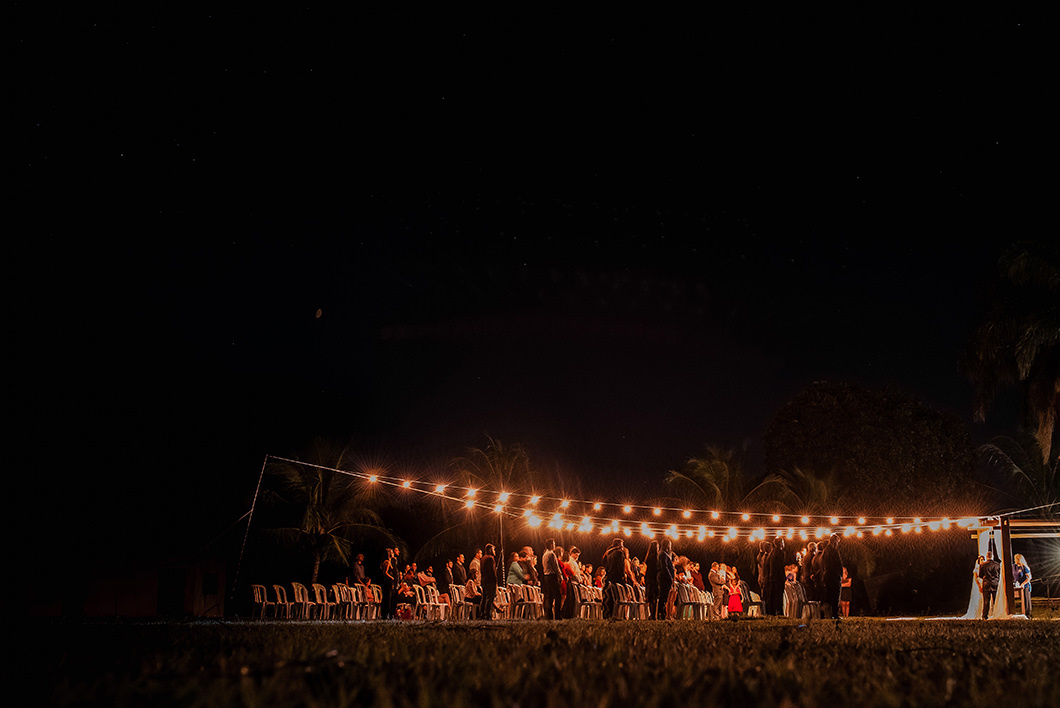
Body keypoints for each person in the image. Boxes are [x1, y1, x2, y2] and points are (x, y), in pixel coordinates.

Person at [602, 538, 627, 619]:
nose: (623, 547)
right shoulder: (619, 553)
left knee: (610, 598)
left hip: (610, 577)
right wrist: (623, 576)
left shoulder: (609, 554)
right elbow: (621, 566)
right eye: (622, 545)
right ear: (619, 545)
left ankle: (609, 614)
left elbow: (605, 565)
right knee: (620, 597)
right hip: (617, 577)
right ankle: (620, 615)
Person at [821, 534, 843, 620]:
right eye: (837, 542)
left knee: (829, 595)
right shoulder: (833, 551)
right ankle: (834, 613)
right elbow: (837, 564)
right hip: (833, 576)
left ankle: (828, 613)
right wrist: (840, 574)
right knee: (835, 595)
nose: (838, 544)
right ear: (834, 541)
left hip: (828, 575)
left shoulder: (826, 551)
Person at [541, 538, 562, 620]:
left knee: (548, 597)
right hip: (552, 576)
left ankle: (548, 615)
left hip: (546, 576)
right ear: (550, 545)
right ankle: (557, 615)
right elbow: (556, 567)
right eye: (553, 544)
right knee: (557, 597)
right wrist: (560, 577)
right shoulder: (551, 554)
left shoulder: (544, 555)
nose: (554, 545)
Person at [656, 538, 675, 620]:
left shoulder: (663, 554)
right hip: (664, 578)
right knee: (663, 597)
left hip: (664, 578)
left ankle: (662, 613)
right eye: (670, 544)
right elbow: (665, 567)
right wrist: (670, 577)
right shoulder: (663, 554)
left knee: (664, 597)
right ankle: (661, 614)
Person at [979, 550, 1000, 619]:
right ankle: (997, 614)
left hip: (986, 583)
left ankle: (985, 615)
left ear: (987, 556)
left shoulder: (982, 565)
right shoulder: (997, 564)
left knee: (986, 600)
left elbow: (980, 575)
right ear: (992, 556)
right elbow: (998, 574)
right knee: (995, 600)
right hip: (995, 583)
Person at [480, 544, 498, 620]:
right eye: (493, 550)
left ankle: (482, 615)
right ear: (490, 550)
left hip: (484, 581)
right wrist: (495, 580)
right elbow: (492, 572)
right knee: (489, 599)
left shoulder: (483, 558)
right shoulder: (490, 558)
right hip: (490, 581)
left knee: (484, 598)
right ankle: (488, 615)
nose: (494, 551)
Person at [644, 540, 659, 620]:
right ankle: (654, 615)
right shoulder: (657, 557)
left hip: (649, 579)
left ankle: (651, 614)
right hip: (655, 579)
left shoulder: (648, 557)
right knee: (655, 598)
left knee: (650, 599)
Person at [1014, 553, 1032, 618]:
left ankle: (1027, 614)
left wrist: (1023, 584)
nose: (1015, 560)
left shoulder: (1024, 567)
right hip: (1017, 585)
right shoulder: (1014, 567)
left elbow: (1029, 577)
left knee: (1026, 599)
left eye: (1016, 559)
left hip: (1025, 586)